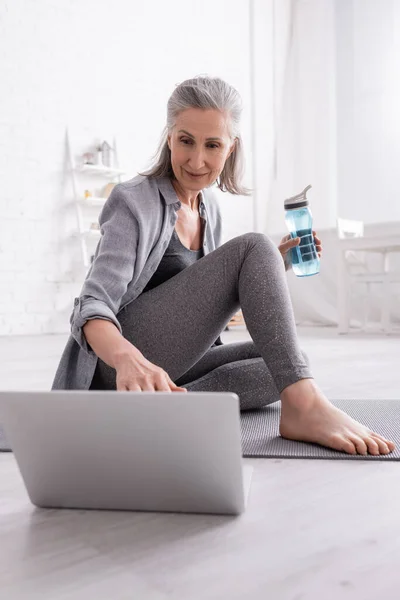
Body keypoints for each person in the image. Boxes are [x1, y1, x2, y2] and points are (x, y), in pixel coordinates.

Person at [52, 75, 395, 456]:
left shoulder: (208, 208)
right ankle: (305, 406)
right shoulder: (133, 201)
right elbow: (91, 306)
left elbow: (200, 298)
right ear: (169, 137)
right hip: (118, 364)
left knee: (281, 365)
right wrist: (129, 360)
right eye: (186, 140)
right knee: (255, 248)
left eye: (212, 145)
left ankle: (160, 409)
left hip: (171, 364)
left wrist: (271, 263)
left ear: (230, 148)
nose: (196, 160)